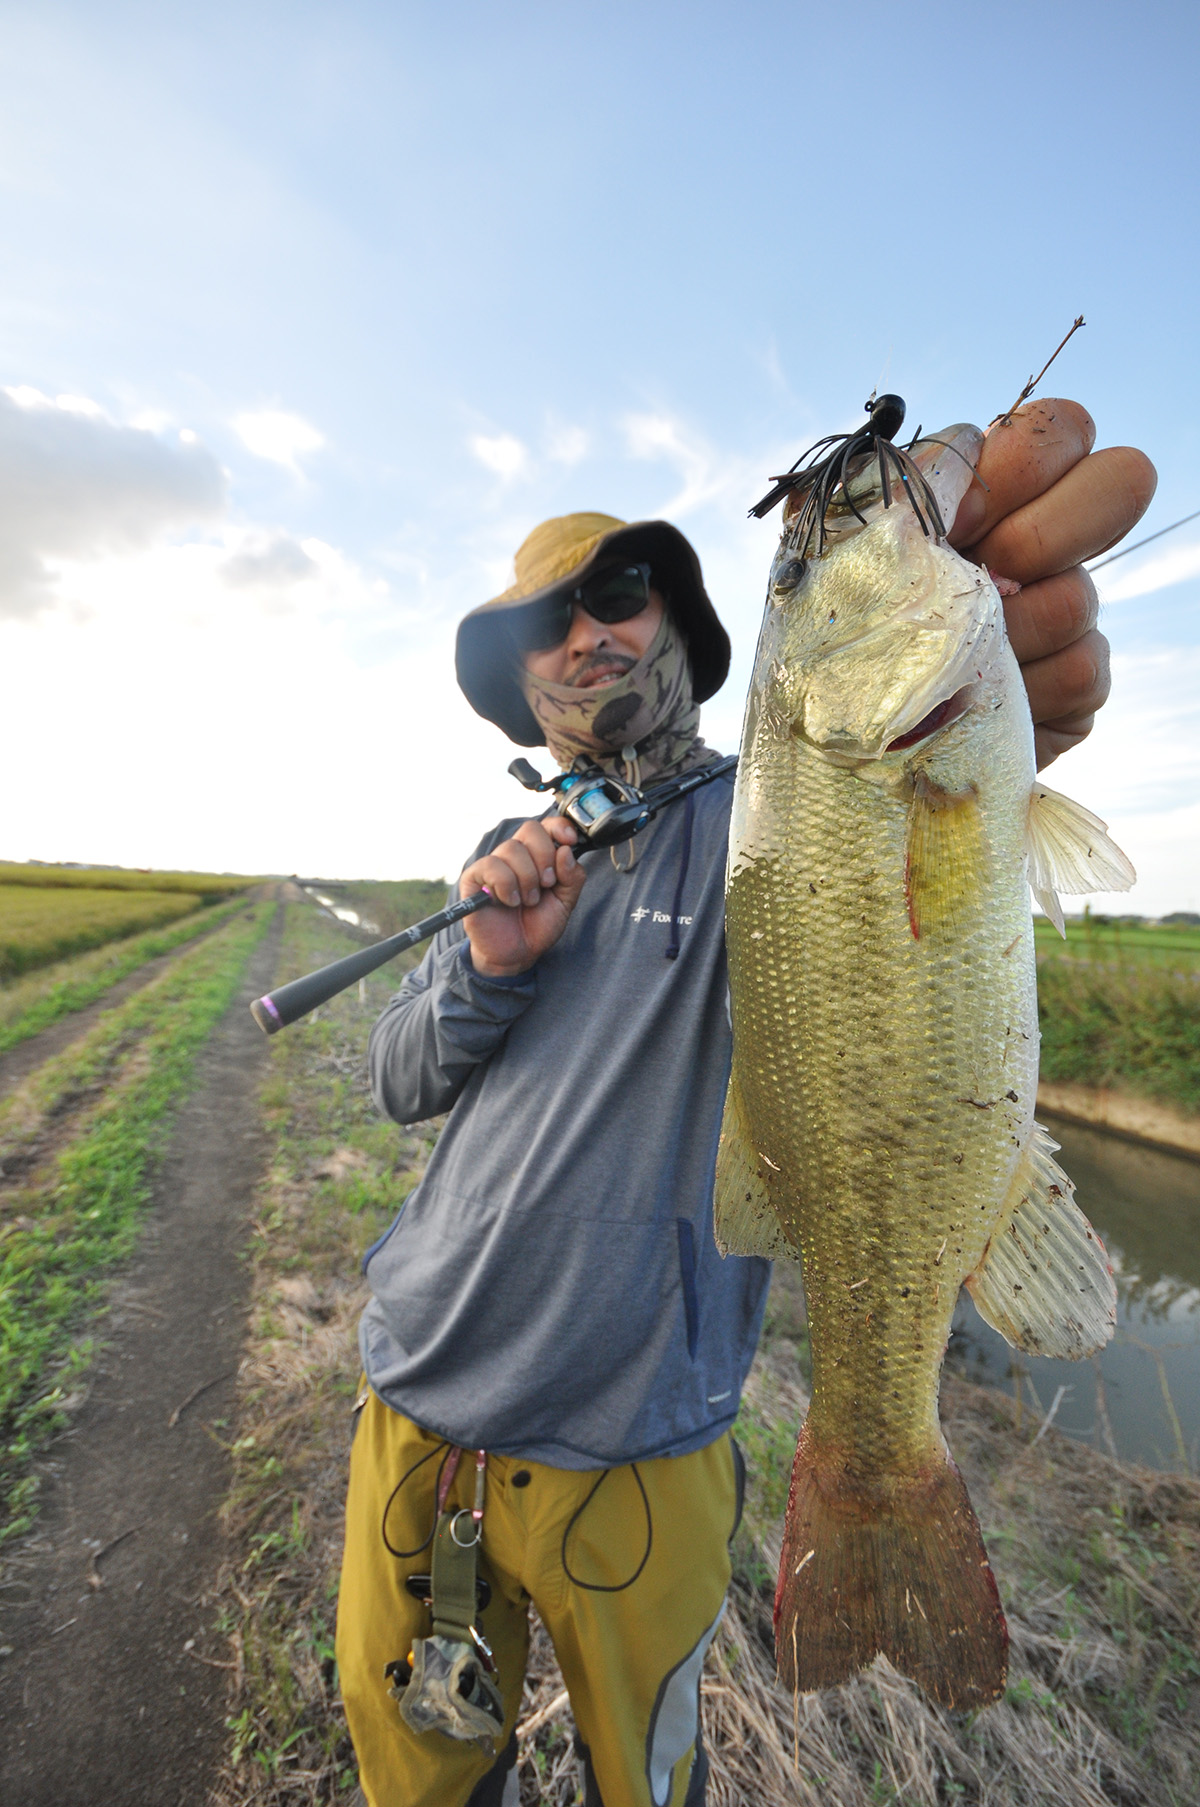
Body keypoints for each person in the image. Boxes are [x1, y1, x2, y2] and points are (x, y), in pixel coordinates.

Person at [335, 402, 1155, 1807]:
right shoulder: (503, 852)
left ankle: (881, 1469)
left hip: (635, 1447)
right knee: (418, 1772)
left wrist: (1028, 703)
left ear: (683, 633)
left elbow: (890, 814)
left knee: (640, 1781)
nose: (586, 632)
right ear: (520, 685)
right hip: (416, 1406)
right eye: (545, 622)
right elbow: (400, 1078)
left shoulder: (762, 809)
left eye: (618, 592)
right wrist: (485, 961)